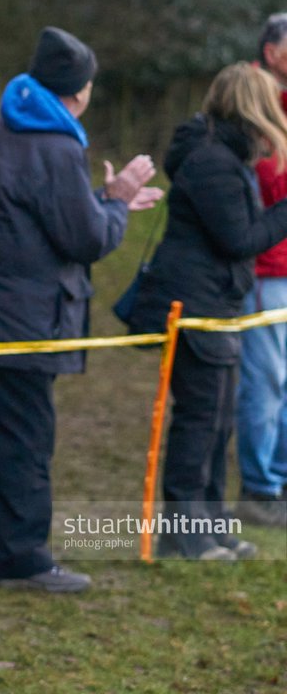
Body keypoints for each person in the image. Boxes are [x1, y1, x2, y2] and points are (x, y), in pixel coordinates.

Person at [0, 26, 162, 593]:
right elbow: (86, 240)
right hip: (23, 321)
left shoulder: (12, 125)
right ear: (80, 91)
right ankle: (23, 559)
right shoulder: (56, 143)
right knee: (26, 438)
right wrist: (114, 203)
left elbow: (51, 216)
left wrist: (102, 202)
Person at [129, 62, 287, 559]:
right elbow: (240, 239)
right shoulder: (213, 162)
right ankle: (184, 532)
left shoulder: (222, 157)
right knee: (200, 418)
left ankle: (211, 521)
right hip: (196, 306)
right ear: (254, 109)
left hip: (215, 304)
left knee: (218, 418)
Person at [234, 14, 287, 529]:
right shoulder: (252, 105)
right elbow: (270, 187)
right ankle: (260, 487)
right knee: (266, 380)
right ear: (272, 51)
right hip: (268, 267)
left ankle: (278, 476)